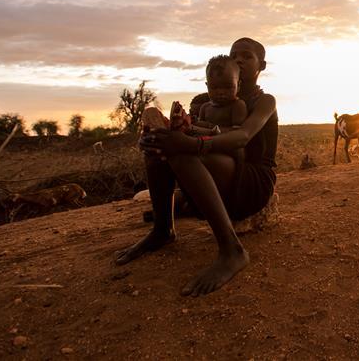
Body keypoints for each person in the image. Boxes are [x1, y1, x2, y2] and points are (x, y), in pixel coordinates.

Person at [115, 38, 278, 297]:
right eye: (233, 55)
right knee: (162, 145)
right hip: (216, 173)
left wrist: (194, 143)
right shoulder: (204, 100)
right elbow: (187, 130)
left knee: (181, 152)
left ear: (262, 66)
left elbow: (242, 137)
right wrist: (155, 137)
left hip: (251, 181)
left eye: (246, 56)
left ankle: (232, 251)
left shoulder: (264, 101)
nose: (238, 60)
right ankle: (162, 230)